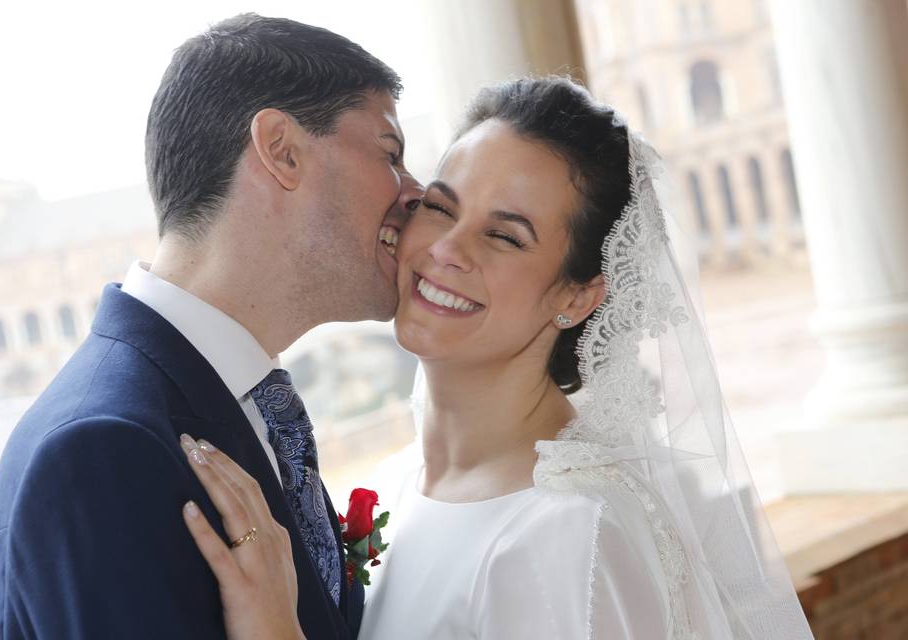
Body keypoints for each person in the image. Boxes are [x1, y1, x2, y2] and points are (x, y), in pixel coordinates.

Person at [185, 76, 815, 639]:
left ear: (576, 294)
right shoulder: (394, 489)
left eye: (504, 236)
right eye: (439, 207)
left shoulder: (567, 534)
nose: (447, 250)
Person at [0, 14, 422, 640]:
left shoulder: (227, 403)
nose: (415, 192)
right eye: (391, 154)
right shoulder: (102, 453)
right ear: (281, 150)